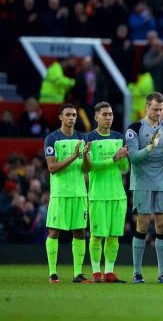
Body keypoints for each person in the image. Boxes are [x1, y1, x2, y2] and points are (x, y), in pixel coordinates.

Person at [125, 92, 163, 284]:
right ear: (147, 107)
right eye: (155, 109)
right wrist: (149, 147)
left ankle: (162, 273)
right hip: (142, 183)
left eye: (161, 110)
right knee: (142, 225)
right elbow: (133, 158)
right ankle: (137, 272)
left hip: (162, 183)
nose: (158, 113)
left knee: (162, 226)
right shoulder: (135, 129)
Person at [44, 103, 91, 283]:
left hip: (79, 193)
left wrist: (85, 155)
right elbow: (52, 167)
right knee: (54, 232)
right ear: (60, 117)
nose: (72, 118)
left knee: (79, 232)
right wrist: (73, 155)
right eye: (68, 115)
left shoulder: (82, 137)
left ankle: (78, 273)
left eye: (74, 115)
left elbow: (87, 168)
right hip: (60, 193)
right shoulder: (52, 139)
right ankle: (52, 273)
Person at [83, 102, 129, 283]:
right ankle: (96, 272)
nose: (108, 118)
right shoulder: (89, 139)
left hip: (117, 194)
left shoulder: (119, 137)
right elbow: (90, 167)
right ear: (96, 117)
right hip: (98, 194)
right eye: (104, 114)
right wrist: (113, 159)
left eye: (110, 114)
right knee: (97, 235)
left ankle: (109, 272)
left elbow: (124, 169)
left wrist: (124, 158)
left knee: (113, 235)